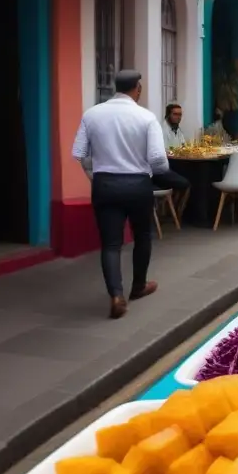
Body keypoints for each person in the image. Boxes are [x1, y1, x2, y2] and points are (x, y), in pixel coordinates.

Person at [72, 69, 167, 320]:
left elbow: (80, 153)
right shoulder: (146, 117)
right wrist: (157, 172)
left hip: (105, 185)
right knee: (143, 236)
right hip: (138, 185)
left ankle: (116, 295)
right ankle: (138, 286)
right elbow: (157, 158)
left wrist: (96, 175)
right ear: (138, 88)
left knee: (111, 244)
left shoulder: (92, 114)